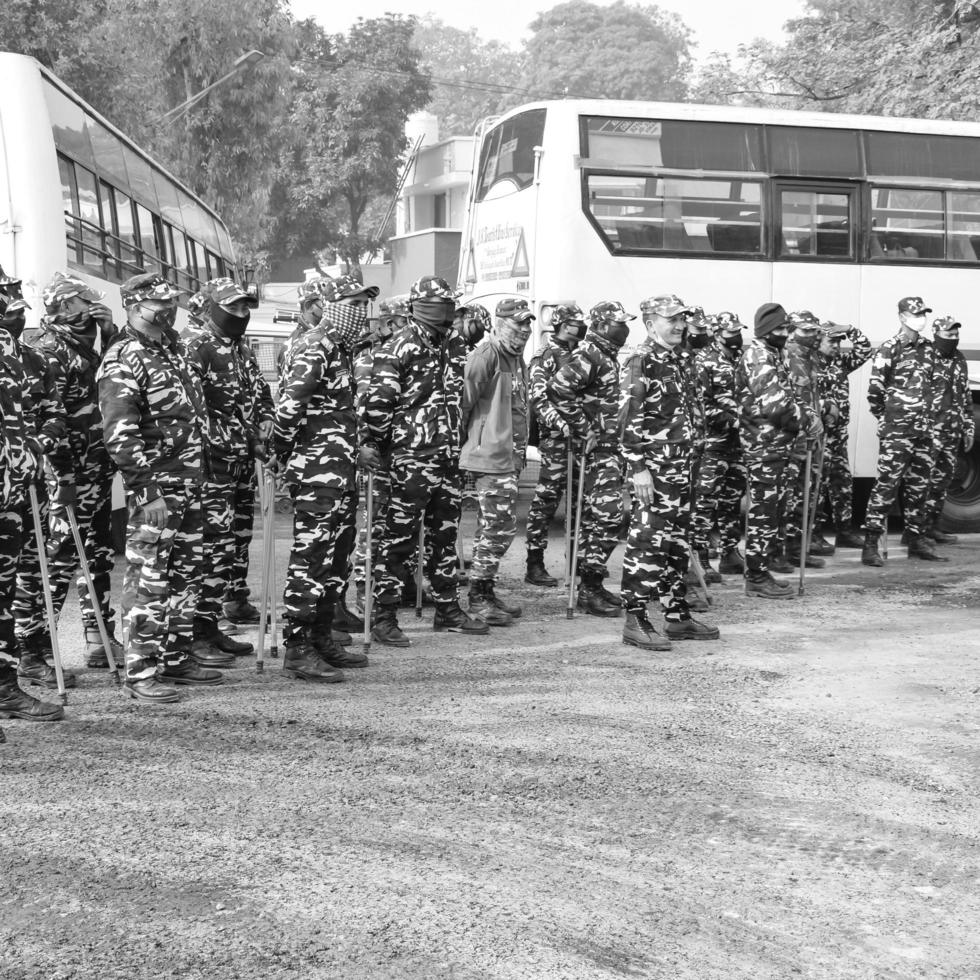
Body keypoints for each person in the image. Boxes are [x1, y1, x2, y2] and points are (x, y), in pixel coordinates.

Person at [98, 273, 222, 702]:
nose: (168, 310)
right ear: (134, 306)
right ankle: (140, 671)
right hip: (157, 487)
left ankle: (176, 658)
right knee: (149, 576)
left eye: (171, 302)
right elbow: (119, 432)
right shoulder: (123, 358)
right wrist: (145, 488)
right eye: (158, 303)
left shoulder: (172, 350)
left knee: (187, 574)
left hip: (190, 480)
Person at [364, 276, 487, 645]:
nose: (448, 310)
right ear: (419, 307)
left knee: (445, 536)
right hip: (410, 457)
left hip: (447, 455)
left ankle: (447, 607)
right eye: (440, 303)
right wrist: (376, 445)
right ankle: (384, 615)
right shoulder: (399, 346)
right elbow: (378, 403)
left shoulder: (454, 342)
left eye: (450, 303)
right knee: (398, 540)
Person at [275, 273, 380, 679]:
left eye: (364, 304)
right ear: (331, 304)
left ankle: (321, 638)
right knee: (310, 561)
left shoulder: (341, 349)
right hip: (317, 474)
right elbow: (289, 409)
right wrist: (280, 454)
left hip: (341, 472)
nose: (361, 312)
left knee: (336, 561)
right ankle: (298, 648)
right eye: (353, 303)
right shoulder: (314, 348)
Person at [31, 273, 122, 670]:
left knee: (97, 555)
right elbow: (54, 422)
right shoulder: (53, 350)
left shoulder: (86, 344)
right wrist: (64, 479)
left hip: (96, 470)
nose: (92, 304)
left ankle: (99, 638)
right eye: (85, 300)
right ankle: (34, 648)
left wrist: (108, 334)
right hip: (68, 476)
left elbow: (110, 385)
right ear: (67, 307)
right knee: (59, 560)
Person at [181, 278, 272, 668]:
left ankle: (211, 623)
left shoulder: (242, 350)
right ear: (211, 307)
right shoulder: (196, 347)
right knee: (208, 548)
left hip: (241, 465)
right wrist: (235, 440)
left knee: (233, 546)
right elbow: (192, 413)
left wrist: (265, 422)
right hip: (212, 466)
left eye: (245, 308)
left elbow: (260, 396)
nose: (241, 314)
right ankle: (193, 634)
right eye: (232, 308)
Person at [619, 294, 719, 650]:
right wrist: (637, 468)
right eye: (670, 319)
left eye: (681, 319)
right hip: (656, 470)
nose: (678, 325)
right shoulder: (641, 360)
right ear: (650, 324)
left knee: (677, 543)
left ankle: (676, 616)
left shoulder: (680, 359)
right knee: (648, 540)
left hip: (683, 466)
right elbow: (629, 416)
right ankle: (635, 617)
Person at [0, 292, 65, 727]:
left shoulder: (20, 357)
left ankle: (5, 687)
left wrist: (36, 445)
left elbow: (46, 414)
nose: (15, 312)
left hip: (14, 492)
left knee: (4, 594)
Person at [548, 300, 630, 616]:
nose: (624, 328)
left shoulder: (606, 355)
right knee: (609, 516)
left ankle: (590, 586)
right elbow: (557, 389)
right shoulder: (589, 355)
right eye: (618, 322)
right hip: (597, 452)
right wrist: (584, 427)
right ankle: (590, 584)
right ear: (601, 325)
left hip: (611, 448)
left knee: (595, 520)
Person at [736, 303, 819, 599]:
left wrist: (808, 414)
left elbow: (793, 394)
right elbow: (776, 406)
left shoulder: (775, 354)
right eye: (781, 329)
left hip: (778, 445)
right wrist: (807, 421)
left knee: (772, 511)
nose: (786, 334)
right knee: (763, 513)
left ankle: (761, 570)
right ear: (767, 331)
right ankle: (756, 577)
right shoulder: (759, 357)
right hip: (763, 445)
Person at [460, 297, 534, 625]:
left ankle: (485, 590)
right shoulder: (486, 355)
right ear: (500, 323)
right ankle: (478, 597)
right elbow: (462, 404)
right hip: (487, 457)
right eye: (519, 324)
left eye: (528, 324)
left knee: (494, 528)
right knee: (499, 528)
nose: (525, 330)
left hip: (508, 457)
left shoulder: (516, 359)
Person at [863, 296, 942, 565]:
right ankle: (871, 544)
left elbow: (934, 387)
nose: (920, 317)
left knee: (919, 488)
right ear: (901, 317)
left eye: (923, 313)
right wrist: (889, 420)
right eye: (915, 313)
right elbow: (875, 392)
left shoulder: (929, 349)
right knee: (886, 486)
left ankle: (916, 540)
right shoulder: (890, 348)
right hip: (897, 432)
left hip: (924, 431)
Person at [524, 303, 586, 587]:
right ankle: (534, 563)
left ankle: (576, 560)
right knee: (547, 501)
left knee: (579, 500)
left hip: (582, 439)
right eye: (576, 322)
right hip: (557, 439)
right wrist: (559, 423)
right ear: (562, 324)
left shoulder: (581, 355)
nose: (581, 326)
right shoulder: (545, 356)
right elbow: (538, 399)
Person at [691, 311, 747, 578]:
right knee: (705, 501)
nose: (736, 336)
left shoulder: (739, 359)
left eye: (738, 331)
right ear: (716, 334)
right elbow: (701, 405)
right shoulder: (703, 361)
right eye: (731, 332)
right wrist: (733, 420)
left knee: (732, 499)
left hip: (736, 444)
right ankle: (700, 557)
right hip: (712, 443)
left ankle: (730, 552)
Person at [815, 321, 871, 549]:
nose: (837, 346)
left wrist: (849, 329)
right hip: (818, 436)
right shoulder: (809, 364)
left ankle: (844, 530)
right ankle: (814, 533)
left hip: (838, 435)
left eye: (839, 342)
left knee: (842, 483)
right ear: (819, 341)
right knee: (817, 485)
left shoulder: (840, 362)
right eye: (832, 341)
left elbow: (865, 351)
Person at [783, 311, 829, 568]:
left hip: (811, 437)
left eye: (814, 330)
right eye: (806, 330)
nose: (812, 335)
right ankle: (776, 552)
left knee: (806, 494)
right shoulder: (786, 356)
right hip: (792, 438)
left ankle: (796, 549)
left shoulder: (811, 357)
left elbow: (811, 393)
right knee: (786, 497)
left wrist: (824, 406)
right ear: (792, 331)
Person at [922, 316, 973, 543]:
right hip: (929, 432)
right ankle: (914, 533)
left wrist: (968, 427)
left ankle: (931, 527)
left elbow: (966, 395)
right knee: (921, 483)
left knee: (942, 483)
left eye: (955, 335)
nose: (953, 339)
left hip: (951, 432)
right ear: (936, 335)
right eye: (948, 335)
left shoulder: (959, 359)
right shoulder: (925, 358)